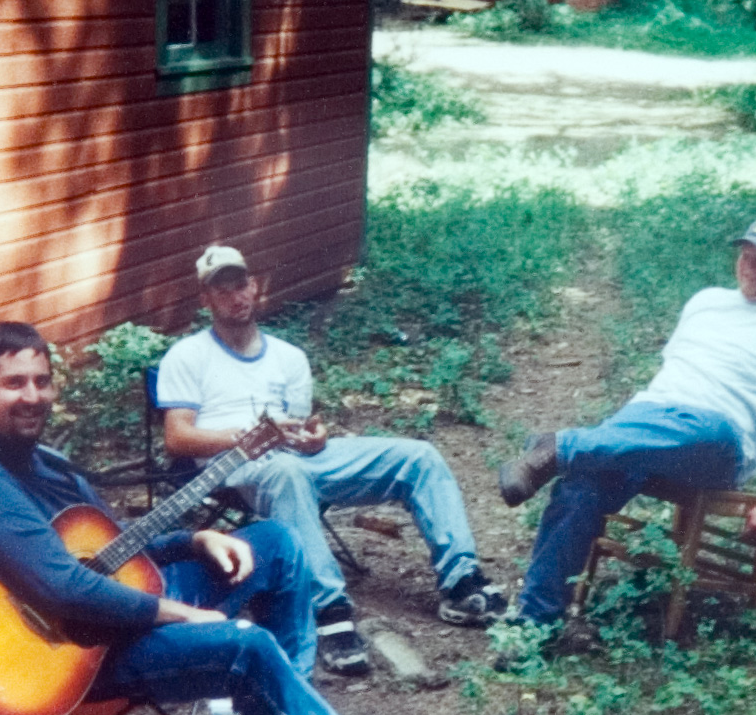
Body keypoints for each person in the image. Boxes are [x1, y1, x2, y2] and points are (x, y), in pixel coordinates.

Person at [0, 322, 419, 715]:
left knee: (276, 544)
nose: (33, 397)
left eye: (42, 381)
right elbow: (66, 589)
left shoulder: (45, 465)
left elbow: (107, 548)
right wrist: (183, 614)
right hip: (70, 659)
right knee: (244, 645)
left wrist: (193, 539)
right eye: (14, 384)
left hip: (116, 617)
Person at [155, 245, 507, 675]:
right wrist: (246, 437)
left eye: (241, 284)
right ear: (205, 298)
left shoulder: (289, 357)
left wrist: (314, 439)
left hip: (293, 460)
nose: (236, 297)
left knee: (419, 457)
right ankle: (329, 611)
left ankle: (461, 582)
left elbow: (304, 433)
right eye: (222, 289)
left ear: (254, 285)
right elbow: (178, 438)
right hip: (233, 466)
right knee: (286, 473)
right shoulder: (187, 356)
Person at [499, 215, 756, 625]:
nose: (750, 266)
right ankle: (536, 625)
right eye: (746, 256)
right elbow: (673, 376)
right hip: (650, 420)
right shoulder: (706, 301)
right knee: (580, 486)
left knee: (700, 429)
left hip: (717, 442)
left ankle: (557, 447)